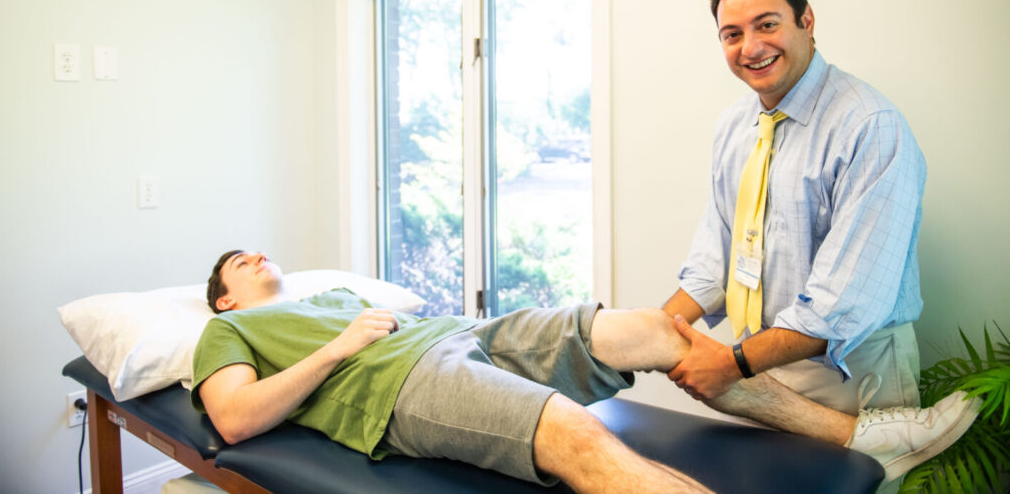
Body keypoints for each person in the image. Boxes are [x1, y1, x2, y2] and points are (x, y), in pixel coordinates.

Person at [192, 250, 979, 492]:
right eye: (239, 262)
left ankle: (860, 436)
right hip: (401, 383)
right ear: (224, 296)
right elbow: (233, 417)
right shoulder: (227, 331)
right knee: (575, 432)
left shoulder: (335, 294)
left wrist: (354, 322)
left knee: (654, 329)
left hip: (463, 332)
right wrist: (337, 349)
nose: (257, 257)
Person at [664, 0, 929, 418]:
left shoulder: (869, 125)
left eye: (767, 25)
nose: (750, 47)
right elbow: (714, 264)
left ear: (806, 21)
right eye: (732, 34)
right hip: (757, 362)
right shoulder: (734, 126)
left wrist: (730, 363)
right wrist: (646, 337)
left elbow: (841, 306)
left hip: (849, 369)